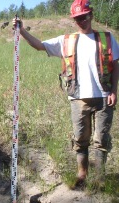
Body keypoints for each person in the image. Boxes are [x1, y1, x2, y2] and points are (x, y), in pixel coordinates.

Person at [13, 0, 119, 188]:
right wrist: (21, 31)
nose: (81, 21)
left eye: (84, 17)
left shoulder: (107, 38)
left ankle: (100, 178)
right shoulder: (66, 41)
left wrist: (113, 91)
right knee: (80, 138)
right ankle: (82, 174)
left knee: (101, 138)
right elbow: (39, 45)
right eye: (77, 18)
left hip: (104, 96)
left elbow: (115, 65)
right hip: (77, 98)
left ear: (91, 15)